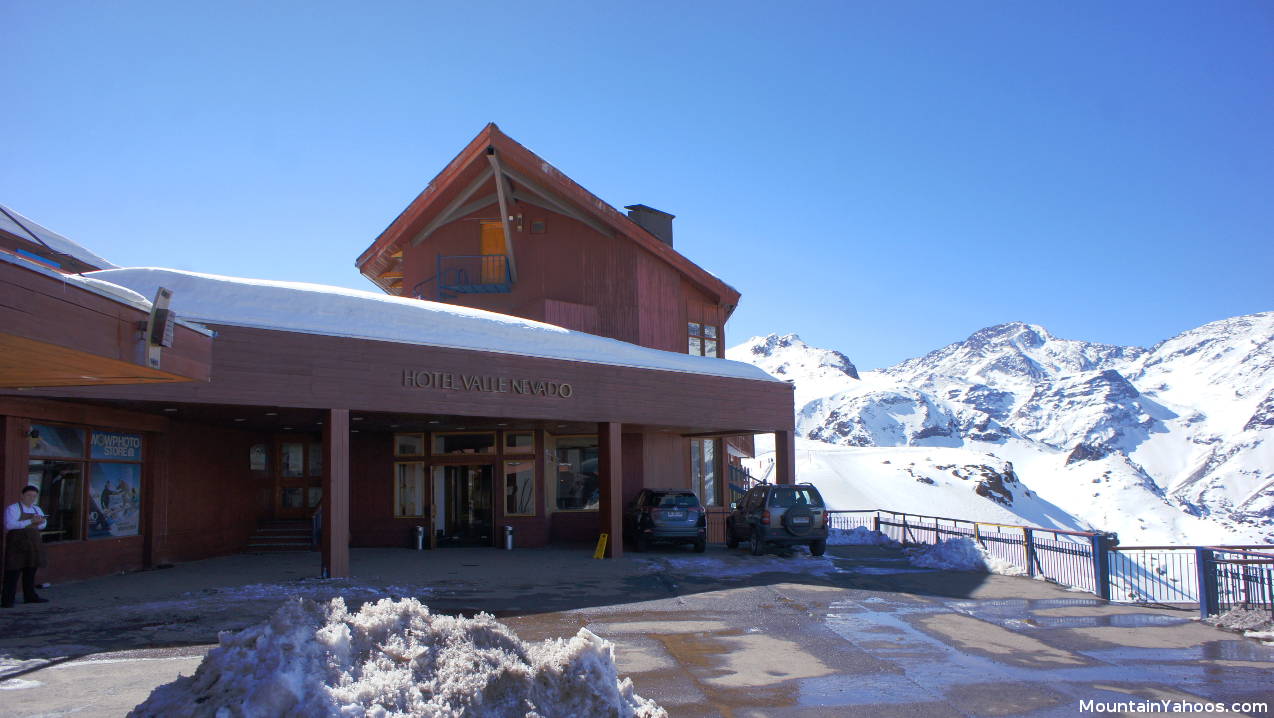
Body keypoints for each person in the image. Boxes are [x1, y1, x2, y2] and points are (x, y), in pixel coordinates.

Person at [3, 485, 50, 607]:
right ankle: (7, 600)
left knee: (30, 570)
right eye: (29, 495)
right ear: (22, 496)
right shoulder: (12, 508)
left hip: (33, 543)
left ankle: (30, 596)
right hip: (16, 544)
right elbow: (9, 525)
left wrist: (41, 522)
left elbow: (42, 526)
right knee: (12, 572)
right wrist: (30, 521)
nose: (31, 498)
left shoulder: (37, 509)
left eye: (34, 496)